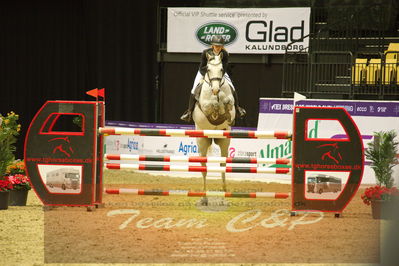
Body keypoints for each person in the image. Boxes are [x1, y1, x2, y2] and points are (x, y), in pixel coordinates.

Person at [180, 35, 246, 122]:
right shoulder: (206, 52)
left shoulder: (225, 54)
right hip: (205, 72)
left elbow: (225, 67)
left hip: (220, 73)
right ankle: (189, 112)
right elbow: (202, 67)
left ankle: (238, 108)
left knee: (232, 87)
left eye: (219, 46)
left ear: (222, 46)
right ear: (212, 45)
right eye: (216, 46)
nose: (218, 48)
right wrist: (208, 75)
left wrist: (218, 77)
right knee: (194, 89)